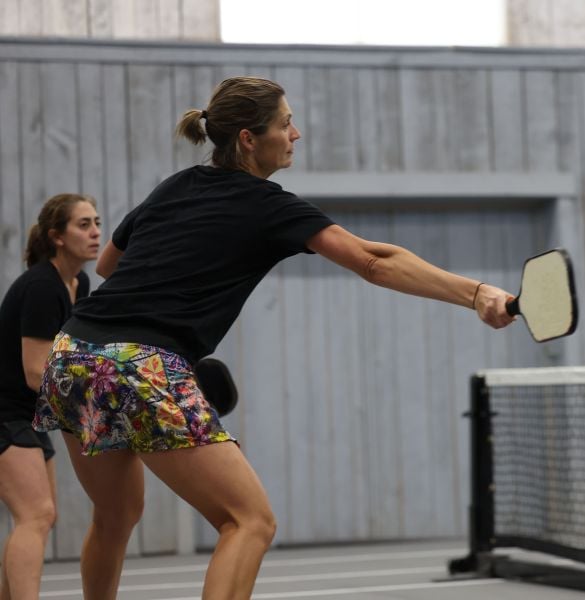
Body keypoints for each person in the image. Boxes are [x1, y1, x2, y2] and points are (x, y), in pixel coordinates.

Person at [32, 76, 515, 600]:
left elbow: (107, 265)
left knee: (116, 516)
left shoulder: (176, 185)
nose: (296, 133)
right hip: (139, 363)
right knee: (249, 521)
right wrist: (476, 293)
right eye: (286, 123)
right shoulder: (270, 205)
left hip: (73, 354)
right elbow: (375, 262)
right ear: (248, 138)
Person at [0, 194, 101, 600]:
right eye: (83, 224)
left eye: (96, 222)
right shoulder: (42, 286)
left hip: (30, 415)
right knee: (36, 515)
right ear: (57, 237)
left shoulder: (79, 284)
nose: (95, 232)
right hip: (7, 411)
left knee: (40, 516)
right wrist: (90, 408)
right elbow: (35, 371)